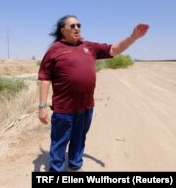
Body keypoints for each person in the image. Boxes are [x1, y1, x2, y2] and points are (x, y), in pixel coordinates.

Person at [38, 15, 149, 172]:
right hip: (63, 109)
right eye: (72, 26)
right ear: (63, 30)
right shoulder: (54, 50)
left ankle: (75, 167)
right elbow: (44, 78)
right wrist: (42, 106)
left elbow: (114, 49)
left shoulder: (89, 46)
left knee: (79, 139)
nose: (77, 28)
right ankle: (57, 171)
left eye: (78, 25)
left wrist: (133, 37)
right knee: (59, 142)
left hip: (86, 107)